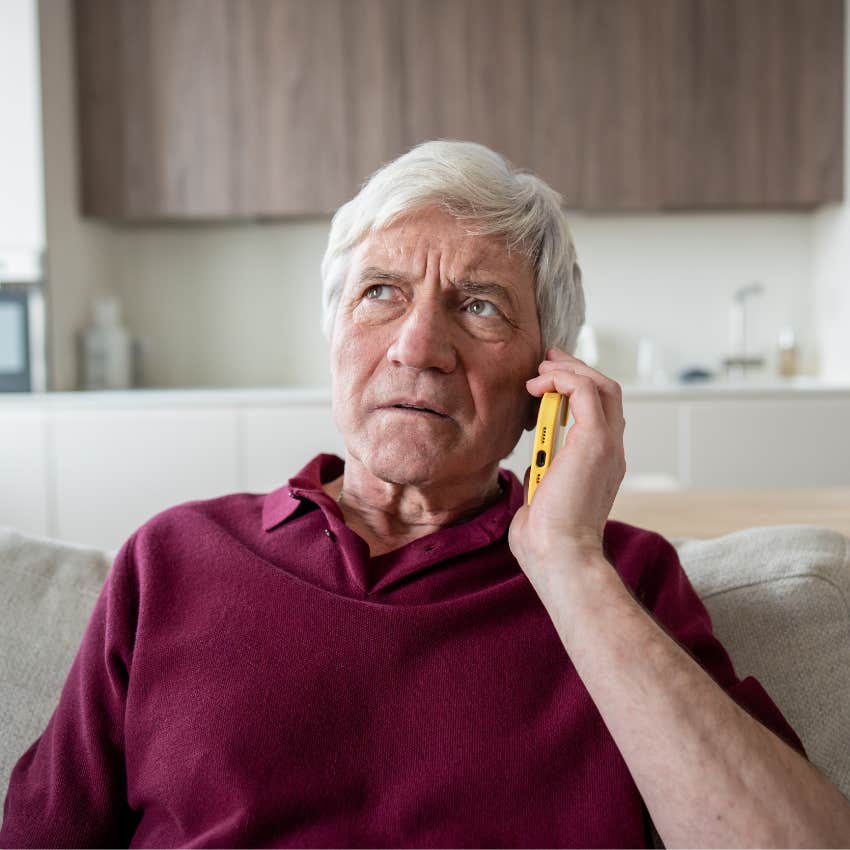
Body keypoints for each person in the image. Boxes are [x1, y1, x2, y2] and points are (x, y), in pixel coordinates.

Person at [2, 140, 849, 848]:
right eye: (381, 293)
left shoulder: (619, 578)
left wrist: (565, 562)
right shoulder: (173, 560)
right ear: (335, 332)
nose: (418, 347)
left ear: (545, 381)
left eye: (478, 306)